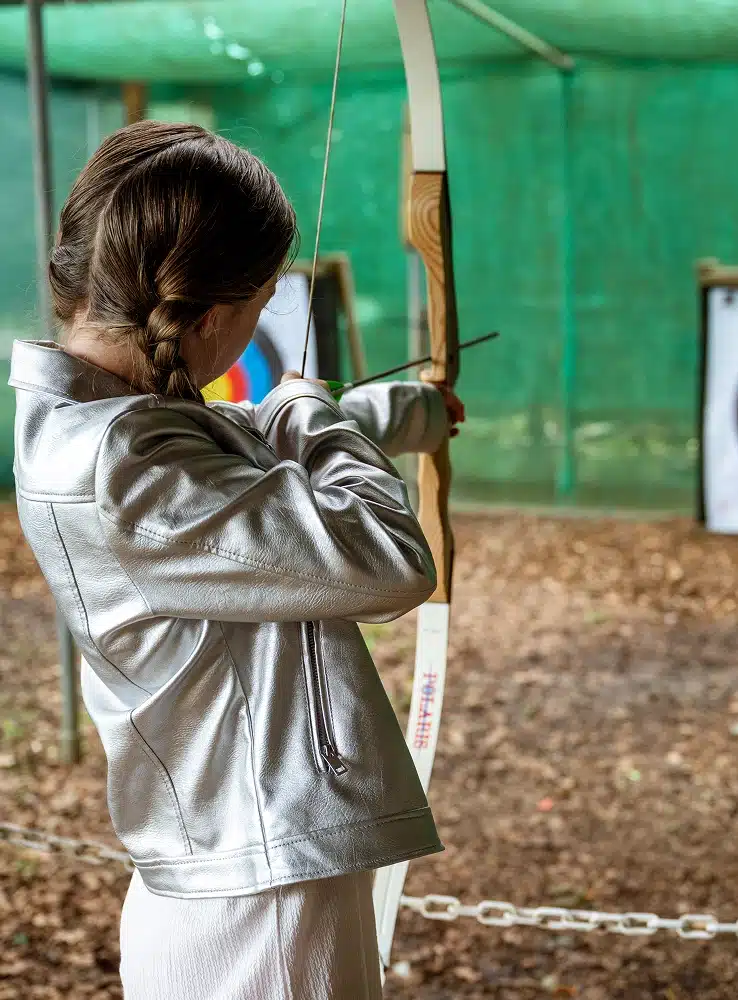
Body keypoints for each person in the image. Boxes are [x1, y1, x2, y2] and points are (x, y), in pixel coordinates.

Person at [8, 120, 465, 999]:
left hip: (237, 877)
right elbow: (389, 553)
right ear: (214, 316)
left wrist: (408, 410)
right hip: (261, 913)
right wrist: (309, 411)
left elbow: (256, 446)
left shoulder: (121, 423)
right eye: (258, 311)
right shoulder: (128, 466)